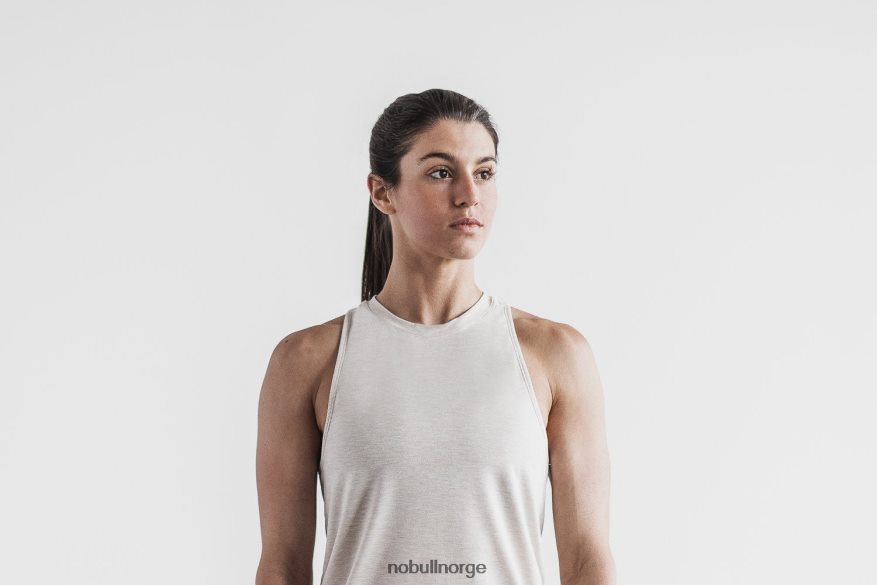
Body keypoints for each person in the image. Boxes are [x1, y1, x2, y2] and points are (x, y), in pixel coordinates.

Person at [254, 88, 616, 585]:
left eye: (484, 172)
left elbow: (588, 562)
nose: (469, 194)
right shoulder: (308, 360)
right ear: (383, 192)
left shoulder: (555, 355)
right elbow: (282, 567)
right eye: (442, 172)